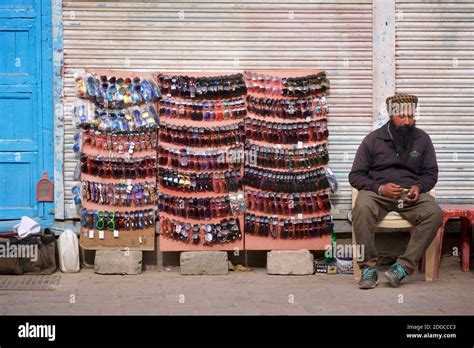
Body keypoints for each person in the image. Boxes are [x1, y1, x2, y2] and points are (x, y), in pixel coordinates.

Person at [349, 93, 443, 289]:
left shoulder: (422, 139)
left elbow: (431, 173)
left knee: (434, 213)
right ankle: (368, 268)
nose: (408, 121)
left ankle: (401, 268)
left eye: (411, 116)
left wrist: (420, 187)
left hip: (409, 194)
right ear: (391, 115)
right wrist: (380, 188)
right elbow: (356, 176)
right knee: (362, 208)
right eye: (402, 116)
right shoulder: (373, 140)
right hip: (378, 194)